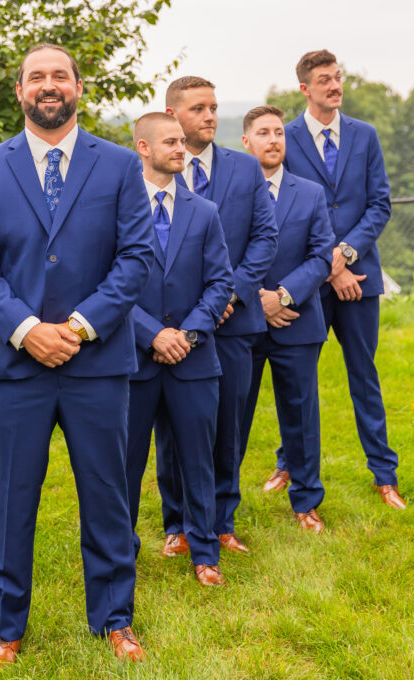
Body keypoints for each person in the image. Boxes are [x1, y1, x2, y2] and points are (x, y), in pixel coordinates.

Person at [0, 43, 155, 669]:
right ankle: (6, 629)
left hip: (96, 362)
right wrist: (25, 329)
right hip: (14, 367)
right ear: (19, 90)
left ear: (77, 88)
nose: (49, 85)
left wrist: (77, 325)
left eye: (59, 76)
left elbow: (136, 257)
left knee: (107, 495)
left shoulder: (120, 165)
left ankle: (114, 620)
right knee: (12, 498)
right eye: (36, 76)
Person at [270, 50, 404, 508]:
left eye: (337, 77)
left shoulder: (365, 136)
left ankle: (384, 474)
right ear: (305, 89)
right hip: (307, 280)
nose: (334, 85)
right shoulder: (284, 138)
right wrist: (329, 268)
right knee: (297, 380)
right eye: (324, 79)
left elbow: (379, 205)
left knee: (364, 375)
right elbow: (285, 206)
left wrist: (345, 257)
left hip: (360, 276)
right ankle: (289, 462)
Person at [155, 76, 278, 555]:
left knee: (229, 425)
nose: (209, 116)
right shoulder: (152, 169)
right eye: (199, 108)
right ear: (172, 115)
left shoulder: (246, 171)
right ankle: (177, 523)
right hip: (170, 325)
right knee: (170, 428)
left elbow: (265, 239)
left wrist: (231, 293)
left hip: (233, 321)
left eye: (214, 107)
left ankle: (222, 520)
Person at [128, 113, 233, 586]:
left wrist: (186, 336)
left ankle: (204, 553)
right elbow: (107, 285)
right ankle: (119, 552)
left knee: (198, 459)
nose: (183, 148)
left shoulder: (205, 212)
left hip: (194, 359)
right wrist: (151, 334)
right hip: (132, 360)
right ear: (143, 148)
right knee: (123, 464)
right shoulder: (119, 211)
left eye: (183, 142)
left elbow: (220, 284)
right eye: (171, 141)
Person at [238, 106, 334, 531]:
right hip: (242, 321)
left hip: (297, 318)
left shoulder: (310, 192)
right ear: (246, 142)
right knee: (232, 416)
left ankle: (306, 501)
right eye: (263, 132)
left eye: (279, 132)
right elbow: (220, 251)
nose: (273, 139)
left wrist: (282, 296)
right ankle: (222, 510)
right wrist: (254, 300)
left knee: (300, 415)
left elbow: (320, 256)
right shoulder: (230, 191)